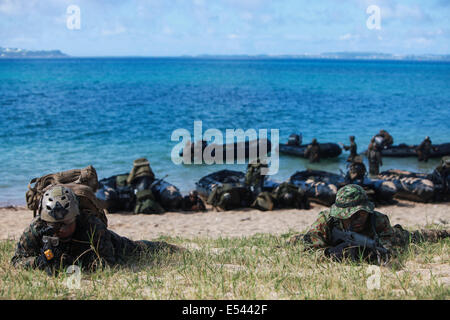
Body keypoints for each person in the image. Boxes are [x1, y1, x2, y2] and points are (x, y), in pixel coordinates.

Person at [11, 185, 181, 275]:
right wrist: (38, 262)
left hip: (113, 245)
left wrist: (76, 264)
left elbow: (109, 263)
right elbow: (17, 261)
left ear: (76, 217)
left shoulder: (92, 226)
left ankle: (173, 248)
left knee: (139, 248)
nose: (59, 230)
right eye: (53, 225)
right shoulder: (37, 228)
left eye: (65, 224)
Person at [289, 184, 449, 263]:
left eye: (362, 214)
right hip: (333, 242)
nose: (357, 219)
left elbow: (392, 251)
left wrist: (369, 255)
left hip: (381, 238)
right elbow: (308, 253)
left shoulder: (378, 220)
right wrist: (331, 254)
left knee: (413, 236)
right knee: (300, 240)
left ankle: (444, 232)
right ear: (340, 215)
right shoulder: (326, 220)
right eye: (351, 216)